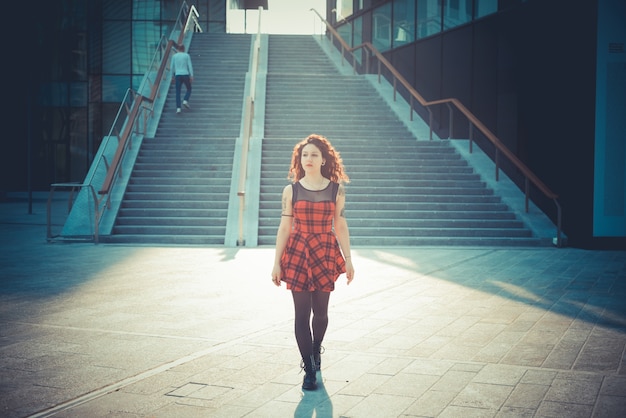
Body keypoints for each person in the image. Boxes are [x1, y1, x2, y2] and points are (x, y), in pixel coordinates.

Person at [271, 134, 355, 391]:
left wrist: (349, 259)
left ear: (323, 159)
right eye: (304, 155)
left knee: (321, 314)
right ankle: (308, 368)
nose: (308, 159)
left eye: (314, 155)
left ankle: (316, 350)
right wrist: (276, 262)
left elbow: (339, 224)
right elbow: (285, 227)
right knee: (300, 315)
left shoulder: (335, 189)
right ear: (300, 159)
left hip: (325, 251)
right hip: (297, 251)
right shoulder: (291, 190)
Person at [170, 44, 193, 114]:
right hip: (185, 74)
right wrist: (191, 75)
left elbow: (172, 67)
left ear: (178, 49)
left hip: (178, 75)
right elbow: (190, 66)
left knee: (178, 92)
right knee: (189, 88)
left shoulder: (174, 56)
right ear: (183, 49)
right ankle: (185, 100)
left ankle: (178, 108)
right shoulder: (186, 55)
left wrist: (172, 76)